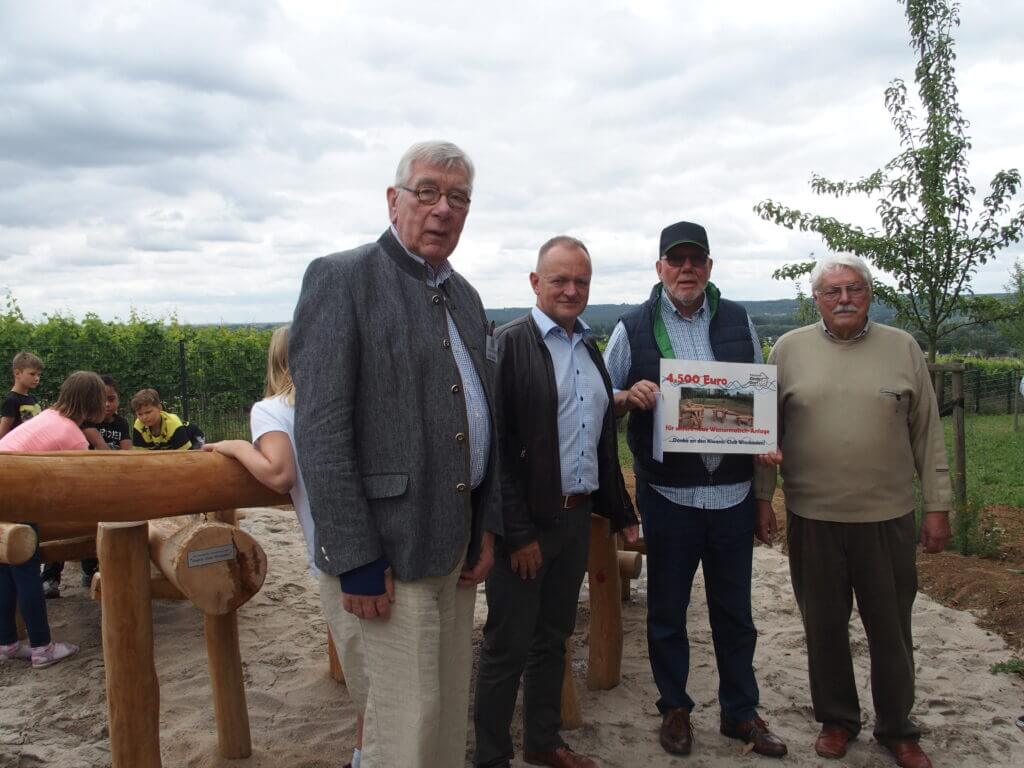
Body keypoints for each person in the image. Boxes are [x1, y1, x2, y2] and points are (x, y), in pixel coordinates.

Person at [290, 140, 501, 768]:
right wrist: (354, 557)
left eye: (458, 198)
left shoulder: (464, 295)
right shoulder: (341, 278)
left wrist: (485, 526)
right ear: (394, 200)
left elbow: (480, 417)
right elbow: (321, 431)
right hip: (383, 562)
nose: (443, 208)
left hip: (454, 550)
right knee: (399, 736)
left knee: (439, 729)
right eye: (428, 192)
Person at [754, 255, 951, 768]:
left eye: (854, 289)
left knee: (891, 629)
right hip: (812, 516)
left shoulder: (902, 347)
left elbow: (928, 432)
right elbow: (763, 432)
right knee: (822, 626)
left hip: (887, 517)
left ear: (869, 293)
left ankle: (898, 727)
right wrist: (762, 498)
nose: (844, 298)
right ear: (816, 298)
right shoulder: (788, 350)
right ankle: (838, 720)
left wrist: (938, 506)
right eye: (832, 291)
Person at [603, 221, 786, 758]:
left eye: (696, 260)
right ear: (659, 267)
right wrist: (625, 395)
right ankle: (675, 709)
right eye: (675, 260)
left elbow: (757, 397)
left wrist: (764, 446)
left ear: (709, 266)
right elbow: (602, 398)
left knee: (736, 614)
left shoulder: (737, 320)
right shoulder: (632, 326)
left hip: (729, 496)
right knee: (667, 613)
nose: (686, 270)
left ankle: (739, 713)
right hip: (669, 498)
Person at [474, 237, 640, 768]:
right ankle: (493, 757)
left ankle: (542, 742)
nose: (571, 290)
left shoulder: (589, 347)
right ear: (534, 283)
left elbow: (597, 437)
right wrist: (517, 534)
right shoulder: (508, 344)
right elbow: (495, 450)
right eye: (560, 280)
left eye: (581, 282)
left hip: (576, 517)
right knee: (506, 646)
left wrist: (622, 515)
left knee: (553, 638)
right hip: (526, 527)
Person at [204, 325, 367, 768]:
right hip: (380, 537)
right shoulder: (353, 398)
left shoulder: (272, 408)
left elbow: (279, 475)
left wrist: (237, 445)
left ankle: (364, 755)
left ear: (276, 361)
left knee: (365, 667)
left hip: (338, 547)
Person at [0, 370, 106, 669]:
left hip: (3, 486)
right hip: (17, 493)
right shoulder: (73, 435)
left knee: (5, 568)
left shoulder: (47, 415)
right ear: (92, 401)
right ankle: (42, 647)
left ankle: (6, 642)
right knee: (27, 569)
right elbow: (82, 488)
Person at [42, 374, 130, 597]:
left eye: (112, 399)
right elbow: (98, 449)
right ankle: (51, 575)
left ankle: (90, 571)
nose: (107, 405)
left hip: (94, 481)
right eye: (103, 399)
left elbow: (128, 452)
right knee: (64, 525)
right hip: (72, 482)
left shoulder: (120, 423)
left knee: (92, 523)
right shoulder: (80, 427)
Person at [130, 388, 200, 450]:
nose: (144, 417)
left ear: (159, 408)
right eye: (140, 414)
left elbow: (184, 455)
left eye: (148, 412)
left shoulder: (172, 422)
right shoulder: (138, 425)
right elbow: (140, 456)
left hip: (193, 438)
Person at [0, 351, 43, 441]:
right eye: (32, 374)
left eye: (39, 375)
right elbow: (2, 433)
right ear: (17, 373)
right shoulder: (12, 400)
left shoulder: (33, 399)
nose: (37, 378)